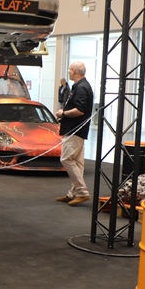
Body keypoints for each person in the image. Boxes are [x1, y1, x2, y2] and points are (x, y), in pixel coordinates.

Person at [55, 61, 93, 206]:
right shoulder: (80, 86)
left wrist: (63, 113)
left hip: (75, 130)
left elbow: (80, 110)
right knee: (77, 162)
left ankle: (82, 192)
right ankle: (74, 193)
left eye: (70, 69)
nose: (69, 72)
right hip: (76, 129)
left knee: (66, 159)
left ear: (75, 71)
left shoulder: (81, 88)